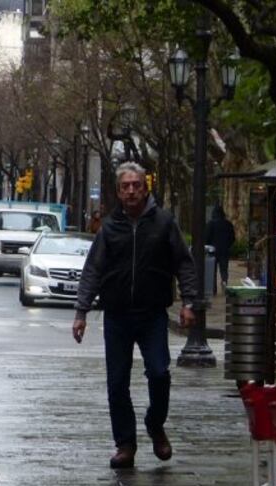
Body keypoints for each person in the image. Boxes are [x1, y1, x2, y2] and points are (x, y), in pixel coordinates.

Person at [72, 161, 197, 469]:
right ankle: (125, 443)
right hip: (116, 316)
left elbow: (183, 262)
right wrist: (81, 312)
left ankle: (155, 424)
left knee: (159, 372)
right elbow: (93, 270)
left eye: (136, 185)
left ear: (145, 188)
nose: (131, 191)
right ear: (118, 191)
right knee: (117, 383)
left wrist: (189, 302)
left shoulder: (164, 223)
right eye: (125, 186)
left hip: (152, 314)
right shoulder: (109, 228)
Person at [204, 203, 235, 291]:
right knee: (224, 269)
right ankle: (224, 281)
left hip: (212, 250)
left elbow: (206, 237)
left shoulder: (210, 224)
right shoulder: (228, 224)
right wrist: (228, 245)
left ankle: (213, 288)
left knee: (212, 271)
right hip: (224, 250)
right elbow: (232, 237)